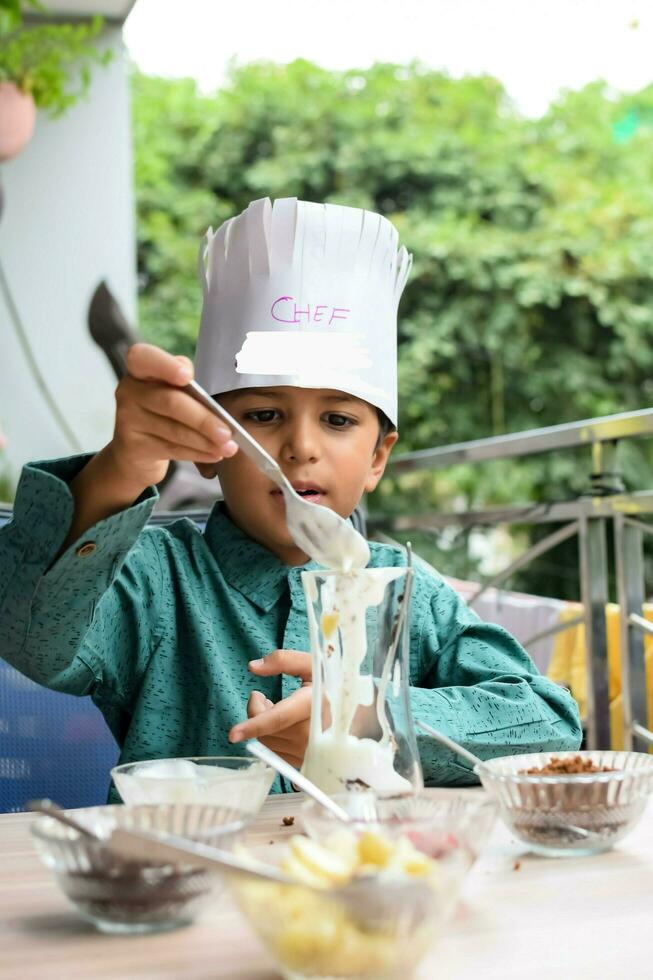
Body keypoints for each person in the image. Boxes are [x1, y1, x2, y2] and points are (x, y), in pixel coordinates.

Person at [0, 198, 581, 798]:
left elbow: (550, 724)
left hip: (370, 882)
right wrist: (120, 468)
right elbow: (32, 639)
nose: (301, 447)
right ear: (209, 444)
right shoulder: (154, 579)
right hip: (184, 881)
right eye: (265, 415)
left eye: (336, 419)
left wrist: (372, 717)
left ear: (378, 456)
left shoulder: (408, 594)